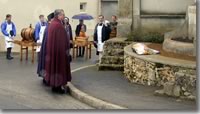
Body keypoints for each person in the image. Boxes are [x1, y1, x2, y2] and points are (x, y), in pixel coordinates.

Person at [45, 9, 71, 94]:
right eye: (63, 15)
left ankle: (54, 86)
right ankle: (58, 87)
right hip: (59, 53)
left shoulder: (52, 24)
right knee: (58, 69)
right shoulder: (58, 25)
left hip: (53, 51)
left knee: (54, 68)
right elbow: (62, 40)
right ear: (58, 15)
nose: (64, 16)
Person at [37, 12, 54, 81]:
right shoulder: (49, 27)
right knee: (46, 64)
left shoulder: (47, 26)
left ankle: (45, 77)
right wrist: (37, 38)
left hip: (45, 47)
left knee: (45, 64)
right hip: (46, 48)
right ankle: (46, 78)